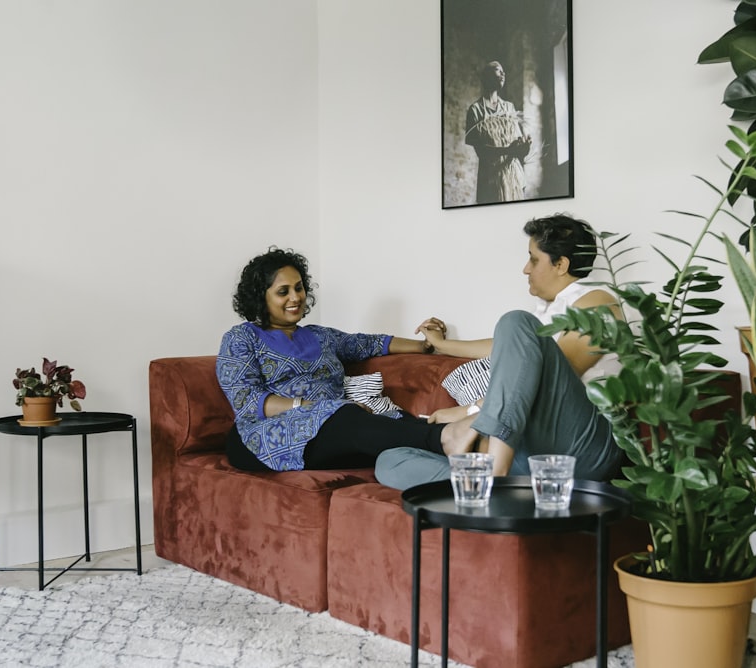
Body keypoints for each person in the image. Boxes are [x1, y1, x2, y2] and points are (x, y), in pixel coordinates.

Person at [375, 214, 622, 490]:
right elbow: (504, 347)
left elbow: (551, 375)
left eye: (533, 259)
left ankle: (495, 473)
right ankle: (506, 490)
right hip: (529, 453)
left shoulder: (600, 302)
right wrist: (442, 345)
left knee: (514, 321)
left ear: (561, 264)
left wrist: (471, 412)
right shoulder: (543, 317)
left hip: (582, 447)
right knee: (391, 461)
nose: (525, 269)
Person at [216, 247, 472, 472]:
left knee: (395, 423)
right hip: (261, 438)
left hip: (331, 432)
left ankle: (471, 453)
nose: (295, 297)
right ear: (261, 297)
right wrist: (315, 407)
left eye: (299, 287)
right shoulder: (241, 338)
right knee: (347, 415)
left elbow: (370, 343)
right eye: (283, 292)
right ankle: (446, 437)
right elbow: (247, 401)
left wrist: (427, 344)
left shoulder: (320, 336)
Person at [465, 60, 532, 204]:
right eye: (497, 69)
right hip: (490, 179)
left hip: (513, 177)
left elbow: (518, 150)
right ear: (486, 77)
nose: (503, 73)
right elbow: (481, 151)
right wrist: (508, 150)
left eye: (503, 71)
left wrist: (525, 148)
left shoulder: (509, 108)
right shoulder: (475, 110)